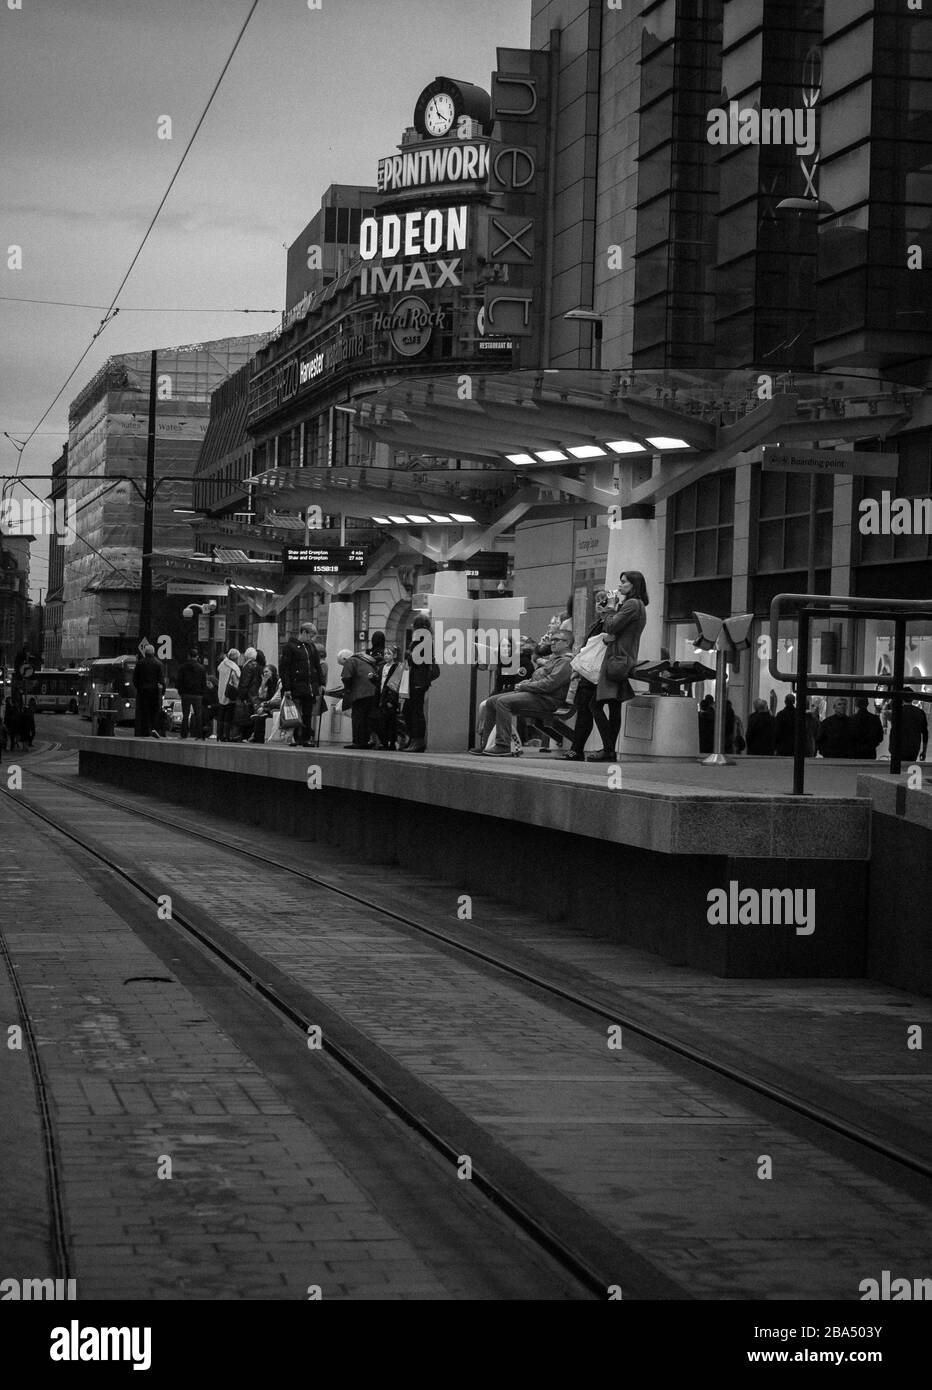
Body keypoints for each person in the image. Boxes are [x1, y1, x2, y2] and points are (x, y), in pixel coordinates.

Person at [471, 628, 574, 757]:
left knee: (502, 702)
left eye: (556, 640)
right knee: (491, 701)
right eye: (552, 640)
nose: (552, 643)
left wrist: (526, 686)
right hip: (537, 695)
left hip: (548, 700)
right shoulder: (555, 660)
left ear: (567, 643)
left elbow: (549, 685)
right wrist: (526, 683)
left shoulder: (565, 661)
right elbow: (539, 678)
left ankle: (503, 745)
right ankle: (486, 745)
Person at [589, 571, 648, 762]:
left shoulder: (632, 604)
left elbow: (612, 626)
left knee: (595, 704)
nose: (620, 585)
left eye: (624, 582)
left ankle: (608, 749)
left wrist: (610, 608)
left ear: (634, 585)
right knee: (613, 706)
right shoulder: (636, 605)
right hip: (621, 658)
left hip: (617, 659)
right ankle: (609, 750)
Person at [562, 589, 615, 761]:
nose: (599, 603)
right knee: (584, 710)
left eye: (603, 600)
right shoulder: (595, 623)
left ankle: (599, 749)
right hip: (588, 672)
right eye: (597, 600)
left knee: (590, 708)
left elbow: (610, 635)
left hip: (599, 672)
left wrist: (608, 612)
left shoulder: (610, 620)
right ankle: (577, 749)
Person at [280, 623, 324, 748]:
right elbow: (285, 668)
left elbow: (317, 666)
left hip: (309, 686)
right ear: (303, 632)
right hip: (295, 686)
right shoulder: (290, 647)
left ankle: (305, 738)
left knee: (307, 713)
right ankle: (294, 737)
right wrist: (287, 687)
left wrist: (321, 683)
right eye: (311, 635)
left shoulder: (311, 647)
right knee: (295, 712)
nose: (312, 639)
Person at [404, 613, 439, 753]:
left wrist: (408, 655)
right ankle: (414, 739)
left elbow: (416, 660)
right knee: (410, 709)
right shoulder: (426, 637)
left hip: (418, 679)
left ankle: (417, 740)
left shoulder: (422, 638)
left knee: (415, 710)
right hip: (419, 678)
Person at [338, 646, 381, 748]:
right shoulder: (365, 659)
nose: (343, 666)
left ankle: (357, 742)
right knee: (366, 718)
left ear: (344, 659)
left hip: (360, 693)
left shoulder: (351, 660)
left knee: (358, 717)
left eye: (342, 664)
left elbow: (346, 678)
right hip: (372, 692)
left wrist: (347, 690)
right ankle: (365, 741)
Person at [133, 643, 164, 738]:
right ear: (154, 652)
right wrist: (162, 692)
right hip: (154, 692)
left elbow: (135, 679)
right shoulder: (159, 664)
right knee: (154, 712)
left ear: (145, 653)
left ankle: (144, 731)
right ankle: (154, 730)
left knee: (143, 712)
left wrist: (139, 687)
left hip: (142, 692)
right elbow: (161, 680)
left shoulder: (140, 663)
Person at [176, 649, 207, 740]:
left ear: (189, 656)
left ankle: (183, 734)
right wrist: (202, 693)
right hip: (197, 695)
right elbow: (203, 683)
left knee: (185, 715)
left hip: (185, 694)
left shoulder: (183, 667)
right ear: (197, 656)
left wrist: (180, 692)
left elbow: (179, 681)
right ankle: (199, 735)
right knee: (198, 715)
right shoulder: (201, 668)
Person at [231, 647, 261, 743]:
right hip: (254, 694)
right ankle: (249, 736)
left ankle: (237, 735)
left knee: (241, 716)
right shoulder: (257, 665)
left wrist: (242, 695)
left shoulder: (248, 666)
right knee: (251, 716)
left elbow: (244, 682)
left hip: (247, 695)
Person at [896, 690, 929, 763]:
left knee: (897, 769)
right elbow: (925, 733)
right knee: (910, 768)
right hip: (914, 748)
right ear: (912, 698)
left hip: (898, 747)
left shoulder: (897, 711)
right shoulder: (920, 712)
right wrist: (924, 751)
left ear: (902, 698)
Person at [216, 648, 241, 743]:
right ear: (235, 658)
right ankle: (226, 735)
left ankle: (219, 735)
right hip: (229, 694)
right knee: (228, 716)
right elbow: (236, 682)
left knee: (221, 715)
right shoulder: (234, 668)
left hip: (221, 692)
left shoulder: (222, 665)